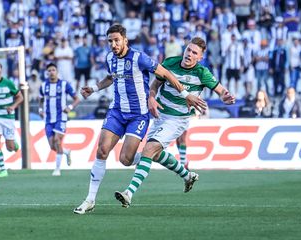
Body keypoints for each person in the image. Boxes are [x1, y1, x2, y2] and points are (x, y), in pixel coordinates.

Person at [73, 24, 206, 215]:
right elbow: (111, 77)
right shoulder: (110, 58)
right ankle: (90, 199)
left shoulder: (139, 57)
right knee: (102, 150)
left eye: (117, 40)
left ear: (125, 40)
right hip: (117, 111)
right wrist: (94, 88)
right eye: (110, 41)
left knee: (126, 159)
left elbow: (166, 73)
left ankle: (174, 168)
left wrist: (185, 94)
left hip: (138, 115)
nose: (113, 44)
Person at [114, 37, 236, 208]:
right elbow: (155, 84)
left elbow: (222, 91)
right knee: (141, 156)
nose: (189, 54)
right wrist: (151, 98)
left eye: (194, 53)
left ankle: (129, 193)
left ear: (200, 57)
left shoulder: (202, 73)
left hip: (178, 120)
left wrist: (226, 97)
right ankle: (187, 175)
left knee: (149, 149)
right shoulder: (170, 62)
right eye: (188, 50)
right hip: (159, 116)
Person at [39, 63, 80, 176]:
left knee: (57, 141)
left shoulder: (64, 85)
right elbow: (40, 99)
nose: (51, 72)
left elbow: (77, 99)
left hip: (61, 118)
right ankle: (66, 152)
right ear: (47, 73)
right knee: (53, 146)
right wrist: (40, 110)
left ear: (57, 72)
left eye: (53, 70)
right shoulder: (43, 86)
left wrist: (70, 107)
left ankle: (57, 169)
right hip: (48, 119)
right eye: (49, 70)